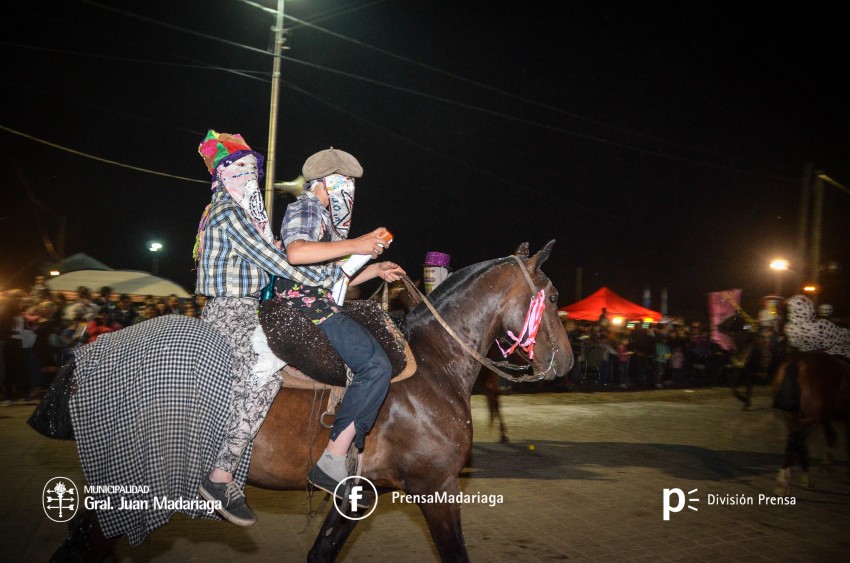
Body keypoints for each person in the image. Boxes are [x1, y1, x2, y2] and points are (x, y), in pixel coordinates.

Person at [193, 130, 342, 527]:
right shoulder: (227, 209)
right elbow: (272, 260)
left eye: (252, 168)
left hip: (247, 307)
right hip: (230, 311)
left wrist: (327, 264)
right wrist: (326, 279)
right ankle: (220, 476)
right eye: (239, 168)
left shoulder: (241, 211)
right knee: (267, 369)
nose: (249, 175)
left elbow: (275, 251)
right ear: (222, 173)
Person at [277, 147, 405, 499]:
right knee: (376, 365)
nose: (351, 190)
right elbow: (297, 252)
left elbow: (334, 277)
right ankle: (332, 459)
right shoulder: (306, 208)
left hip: (320, 300)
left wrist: (375, 268)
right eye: (345, 182)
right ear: (324, 184)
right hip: (305, 307)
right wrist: (356, 243)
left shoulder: (326, 220)